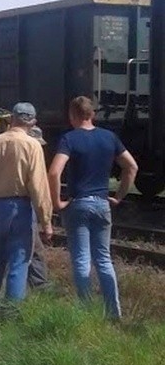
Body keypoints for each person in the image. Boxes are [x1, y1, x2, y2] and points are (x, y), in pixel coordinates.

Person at [48, 95, 138, 320]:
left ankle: (86, 312)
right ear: (92, 114)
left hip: (78, 204)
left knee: (81, 259)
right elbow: (131, 166)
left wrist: (57, 202)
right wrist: (118, 196)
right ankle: (113, 313)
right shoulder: (109, 137)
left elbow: (54, 172)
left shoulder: (69, 139)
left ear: (72, 116)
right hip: (101, 204)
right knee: (104, 259)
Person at [0, 102, 53, 309]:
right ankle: (11, 313)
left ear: (11, 119)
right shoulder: (32, 145)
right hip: (20, 210)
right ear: (33, 122)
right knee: (19, 262)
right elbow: (38, 186)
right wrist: (46, 221)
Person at [27, 125, 50, 290]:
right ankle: (38, 283)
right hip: (25, 207)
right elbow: (38, 188)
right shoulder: (31, 156)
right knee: (34, 247)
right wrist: (46, 220)